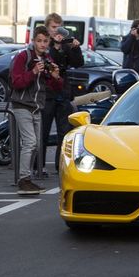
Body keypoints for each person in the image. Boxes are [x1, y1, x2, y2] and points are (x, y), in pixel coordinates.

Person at [9, 25, 63, 195]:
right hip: (22, 105)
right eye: (39, 41)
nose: (42, 44)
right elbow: (16, 82)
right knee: (30, 142)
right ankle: (23, 179)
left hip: (36, 107)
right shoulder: (23, 57)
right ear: (33, 41)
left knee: (37, 145)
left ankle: (28, 178)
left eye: (45, 41)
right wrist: (33, 72)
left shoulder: (47, 59)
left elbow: (54, 87)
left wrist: (56, 76)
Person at [41, 13, 84, 173]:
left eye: (59, 27)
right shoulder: (44, 44)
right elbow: (47, 61)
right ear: (47, 28)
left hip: (63, 92)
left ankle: (60, 166)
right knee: (43, 131)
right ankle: (40, 166)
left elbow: (78, 63)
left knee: (64, 132)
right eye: (53, 27)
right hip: (47, 94)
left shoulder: (66, 44)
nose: (56, 31)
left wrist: (75, 48)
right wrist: (56, 46)